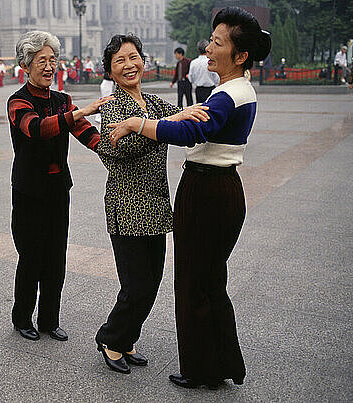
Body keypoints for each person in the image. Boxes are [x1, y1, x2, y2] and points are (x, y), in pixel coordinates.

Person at [108, 7, 271, 388]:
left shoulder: (228, 94)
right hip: (217, 189)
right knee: (210, 280)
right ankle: (222, 364)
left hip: (208, 191)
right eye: (211, 41)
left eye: (217, 42)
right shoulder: (235, 89)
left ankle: (204, 371)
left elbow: (189, 133)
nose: (208, 48)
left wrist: (136, 123)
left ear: (240, 55)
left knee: (195, 282)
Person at [94, 34, 208, 375]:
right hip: (126, 207)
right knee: (135, 285)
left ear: (143, 60)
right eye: (120, 62)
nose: (129, 65)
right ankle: (111, 338)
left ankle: (127, 338)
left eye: (133, 57)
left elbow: (182, 123)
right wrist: (153, 127)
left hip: (156, 205)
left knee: (152, 282)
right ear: (111, 72)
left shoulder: (156, 104)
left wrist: (182, 117)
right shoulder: (112, 106)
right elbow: (119, 150)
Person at [7, 31, 112, 342]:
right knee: (30, 256)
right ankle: (22, 318)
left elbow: (82, 130)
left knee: (56, 255)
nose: (49, 66)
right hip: (29, 191)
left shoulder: (62, 100)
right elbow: (37, 128)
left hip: (57, 189)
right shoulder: (18, 102)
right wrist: (80, 112)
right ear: (26, 65)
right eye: (42, 61)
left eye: (53, 60)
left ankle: (49, 320)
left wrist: (108, 147)